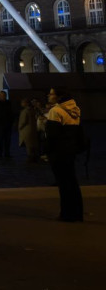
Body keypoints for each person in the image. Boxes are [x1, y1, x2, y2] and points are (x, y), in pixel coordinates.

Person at [45, 88, 83, 222]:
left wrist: (46, 152)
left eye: (51, 93)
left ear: (58, 96)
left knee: (63, 184)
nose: (49, 96)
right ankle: (77, 213)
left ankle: (66, 213)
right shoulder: (75, 110)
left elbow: (52, 136)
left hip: (58, 152)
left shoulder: (55, 111)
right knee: (72, 182)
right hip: (70, 151)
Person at [18, 98, 41, 163]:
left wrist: (19, 127)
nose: (21, 104)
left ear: (26, 103)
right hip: (33, 129)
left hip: (26, 130)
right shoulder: (32, 110)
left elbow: (23, 121)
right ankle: (34, 157)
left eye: (22, 102)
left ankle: (31, 157)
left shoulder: (25, 111)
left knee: (29, 145)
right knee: (33, 144)